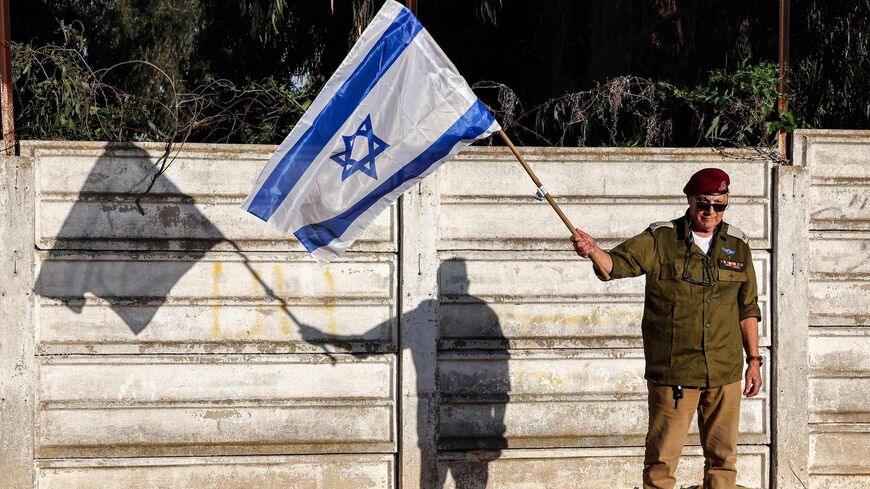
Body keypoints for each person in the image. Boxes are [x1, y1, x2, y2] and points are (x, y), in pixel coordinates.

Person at [571, 168, 762, 489]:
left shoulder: (738, 245)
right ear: (689, 199)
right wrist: (592, 251)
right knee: (662, 461)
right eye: (704, 204)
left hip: (724, 372)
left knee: (723, 461)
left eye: (720, 205)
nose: (711, 213)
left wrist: (753, 361)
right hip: (674, 372)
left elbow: (748, 308)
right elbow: (616, 265)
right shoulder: (661, 239)